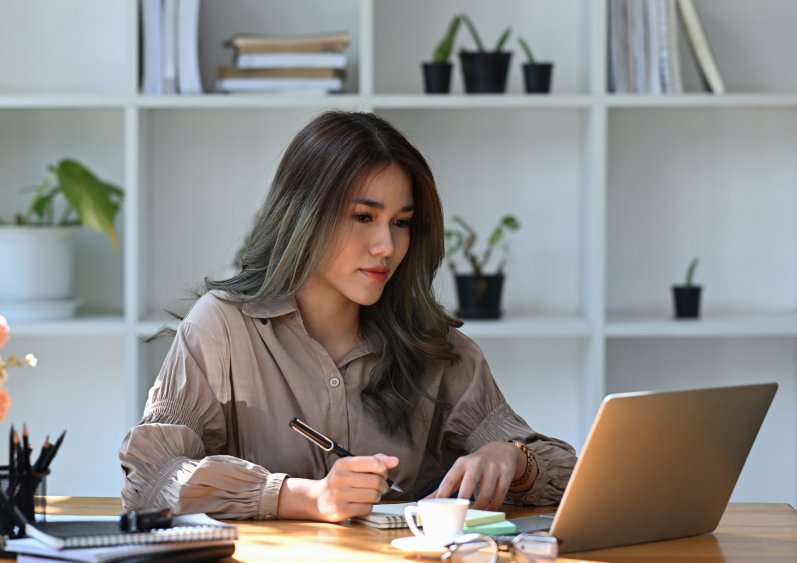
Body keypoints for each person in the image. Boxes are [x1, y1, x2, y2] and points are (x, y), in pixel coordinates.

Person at [118, 111, 577, 522]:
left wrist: (512, 458)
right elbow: (151, 478)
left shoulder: (434, 345)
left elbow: (572, 475)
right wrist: (302, 496)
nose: (387, 246)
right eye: (363, 217)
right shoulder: (221, 329)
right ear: (305, 215)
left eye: (401, 222)